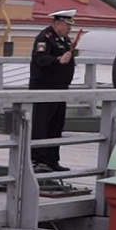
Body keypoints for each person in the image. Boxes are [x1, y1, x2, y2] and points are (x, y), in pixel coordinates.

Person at [29, 9, 78, 172]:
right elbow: (40, 59)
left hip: (60, 88)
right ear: (57, 24)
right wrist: (58, 59)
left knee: (56, 125)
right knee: (42, 124)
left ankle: (52, 160)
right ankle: (38, 159)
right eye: (67, 25)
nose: (69, 29)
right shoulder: (45, 38)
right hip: (45, 88)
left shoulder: (64, 40)